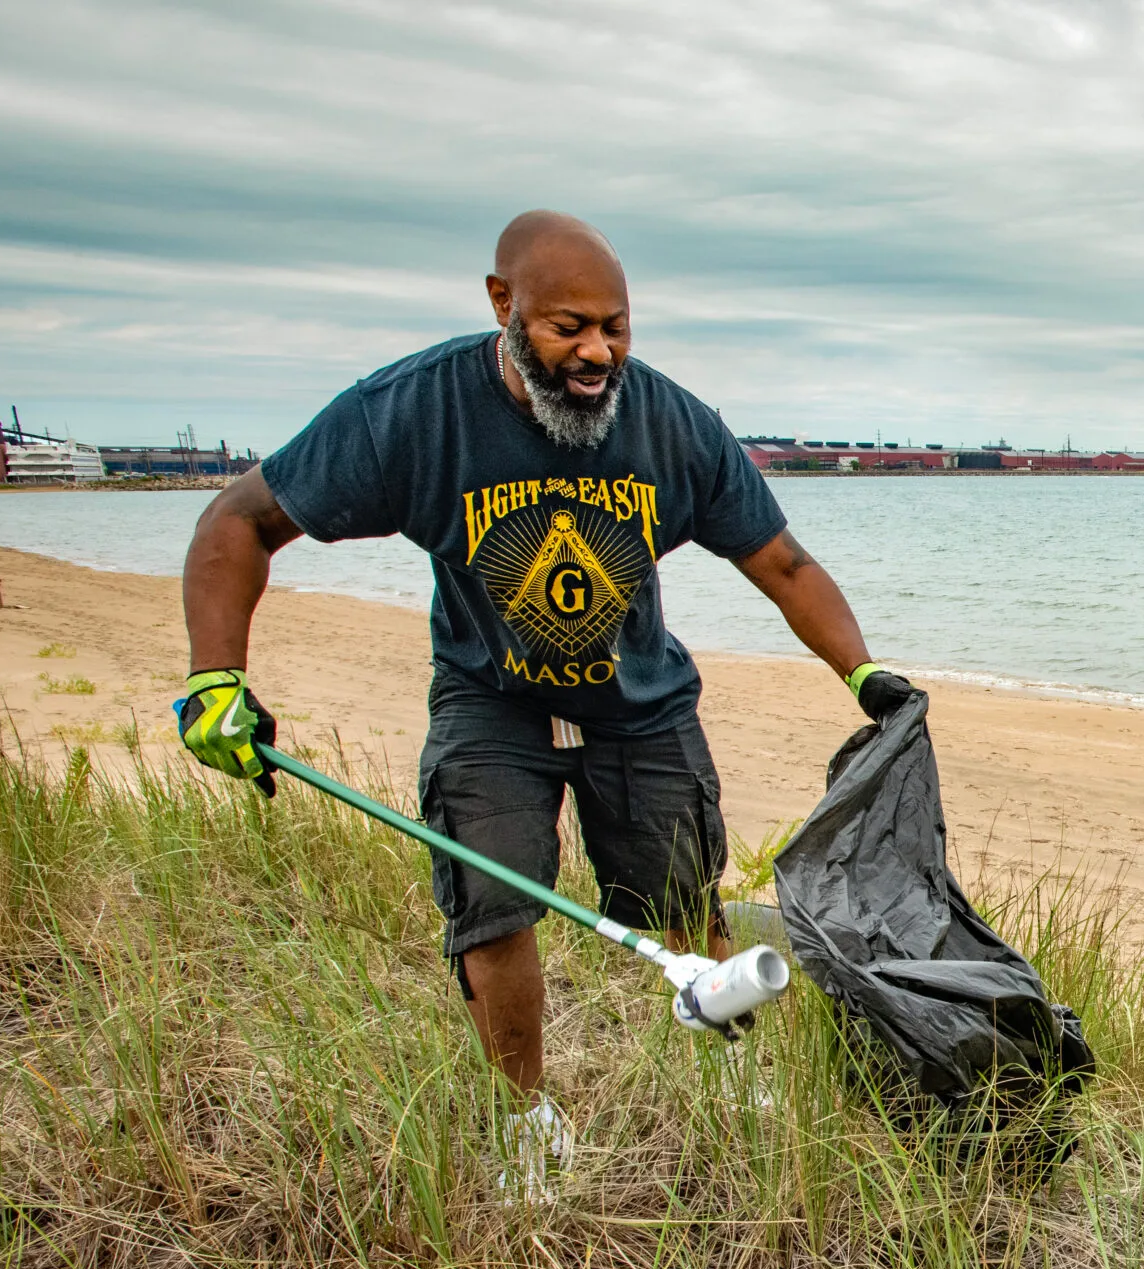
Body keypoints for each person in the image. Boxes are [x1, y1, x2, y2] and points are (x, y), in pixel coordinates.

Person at [176, 210, 914, 1191]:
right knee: (493, 905)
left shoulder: (669, 422)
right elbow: (241, 520)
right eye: (570, 326)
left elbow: (780, 561)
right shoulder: (412, 412)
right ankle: (525, 1117)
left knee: (685, 901)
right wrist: (213, 676)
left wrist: (860, 673)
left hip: (640, 703)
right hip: (492, 703)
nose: (598, 350)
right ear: (502, 305)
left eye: (616, 325)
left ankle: (727, 1079)